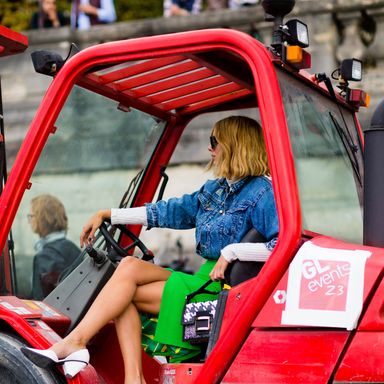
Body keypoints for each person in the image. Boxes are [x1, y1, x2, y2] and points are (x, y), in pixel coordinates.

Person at [21, 116, 279, 383]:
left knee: (123, 294)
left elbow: (281, 244)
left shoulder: (262, 192)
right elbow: (167, 211)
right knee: (127, 269)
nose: (209, 148)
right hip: (203, 277)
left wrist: (232, 252)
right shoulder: (215, 189)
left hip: (225, 288)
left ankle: (101, 358)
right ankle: (96, 355)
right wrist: (109, 214)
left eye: (214, 141)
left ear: (235, 145)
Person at [28, 194, 81, 300]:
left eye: (31, 216)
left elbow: (40, 301)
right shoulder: (72, 247)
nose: (29, 220)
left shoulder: (46, 257)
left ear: (41, 218)